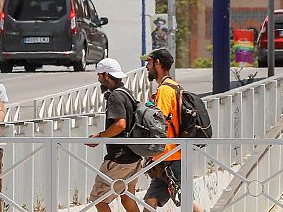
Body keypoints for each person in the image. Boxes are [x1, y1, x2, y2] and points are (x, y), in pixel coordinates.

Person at [141, 48, 203, 212]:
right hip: (165, 156)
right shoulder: (175, 87)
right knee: (150, 199)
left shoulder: (165, 90)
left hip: (171, 156)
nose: (147, 67)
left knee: (187, 200)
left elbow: (157, 121)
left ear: (157, 63)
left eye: (148, 62)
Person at [86, 58, 142, 212]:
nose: (98, 78)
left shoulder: (115, 97)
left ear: (106, 75)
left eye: (99, 75)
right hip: (133, 157)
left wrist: (100, 136)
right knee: (127, 197)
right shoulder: (127, 94)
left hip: (120, 158)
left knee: (98, 199)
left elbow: (120, 124)